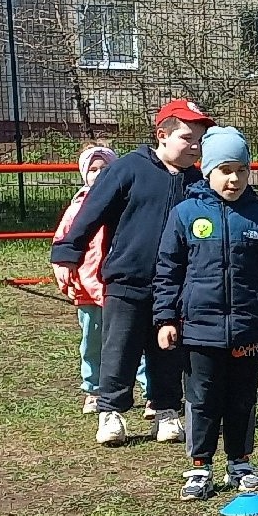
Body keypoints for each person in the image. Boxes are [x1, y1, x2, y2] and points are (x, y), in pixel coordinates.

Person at [53, 97, 212, 447]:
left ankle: (166, 408)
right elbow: (90, 213)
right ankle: (111, 411)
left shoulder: (196, 180)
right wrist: (66, 255)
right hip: (126, 280)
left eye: (200, 139)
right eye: (188, 137)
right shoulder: (127, 169)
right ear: (163, 135)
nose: (196, 146)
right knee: (119, 347)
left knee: (168, 348)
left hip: (175, 285)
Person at [152, 127, 258, 502]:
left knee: (242, 398)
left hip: (248, 329)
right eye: (225, 170)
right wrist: (166, 318)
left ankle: (240, 461)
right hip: (199, 330)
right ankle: (200, 466)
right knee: (201, 398)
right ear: (207, 170)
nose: (234, 179)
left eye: (241, 171)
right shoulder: (185, 214)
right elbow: (168, 270)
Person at [52, 143, 150, 416]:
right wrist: (64, 272)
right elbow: (64, 242)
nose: (98, 174)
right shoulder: (78, 208)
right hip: (88, 289)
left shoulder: (126, 204)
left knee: (135, 341)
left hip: (121, 287)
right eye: (92, 169)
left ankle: (150, 390)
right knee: (92, 343)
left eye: (104, 169)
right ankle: (93, 389)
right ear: (84, 174)